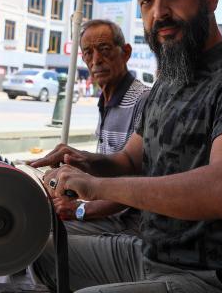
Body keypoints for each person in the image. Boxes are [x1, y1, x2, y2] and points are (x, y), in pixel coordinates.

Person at [31, 0, 222, 293]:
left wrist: (97, 187)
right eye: (147, 1)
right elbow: (130, 160)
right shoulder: (166, 82)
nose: (159, 12)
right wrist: (82, 162)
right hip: (151, 254)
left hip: (219, 276)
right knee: (33, 250)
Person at [49, 19, 150, 235]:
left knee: (43, 233)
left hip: (129, 223)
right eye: (88, 53)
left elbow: (141, 180)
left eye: (104, 49)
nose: (96, 60)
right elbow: (109, 169)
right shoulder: (106, 100)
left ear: (126, 52)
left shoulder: (143, 100)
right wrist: (73, 165)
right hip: (108, 214)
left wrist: (81, 210)